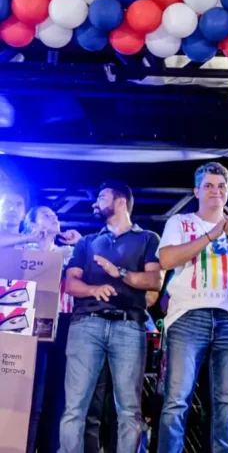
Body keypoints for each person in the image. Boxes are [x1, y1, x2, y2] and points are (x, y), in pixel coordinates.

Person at [157, 162, 228, 452]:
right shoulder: (180, 222)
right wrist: (212, 234)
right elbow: (166, 260)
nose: (216, 191)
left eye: (221, 186)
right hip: (187, 317)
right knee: (176, 401)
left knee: (227, 405)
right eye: (208, 186)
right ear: (196, 191)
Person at [59, 182, 163, 453]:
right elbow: (71, 284)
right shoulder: (86, 242)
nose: (95, 202)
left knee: (129, 409)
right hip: (86, 324)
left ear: (120, 201)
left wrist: (121, 273)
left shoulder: (147, 238)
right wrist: (93, 289)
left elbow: (155, 281)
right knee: (75, 407)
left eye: (102, 196)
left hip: (129, 326)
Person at [19, 206, 76, 453]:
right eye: (45, 215)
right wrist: (29, 239)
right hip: (32, 326)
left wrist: (79, 242)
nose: (54, 217)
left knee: (58, 396)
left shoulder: (70, 253)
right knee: (34, 398)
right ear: (31, 224)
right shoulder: (22, 252)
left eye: (55, 215)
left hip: (65, 324)